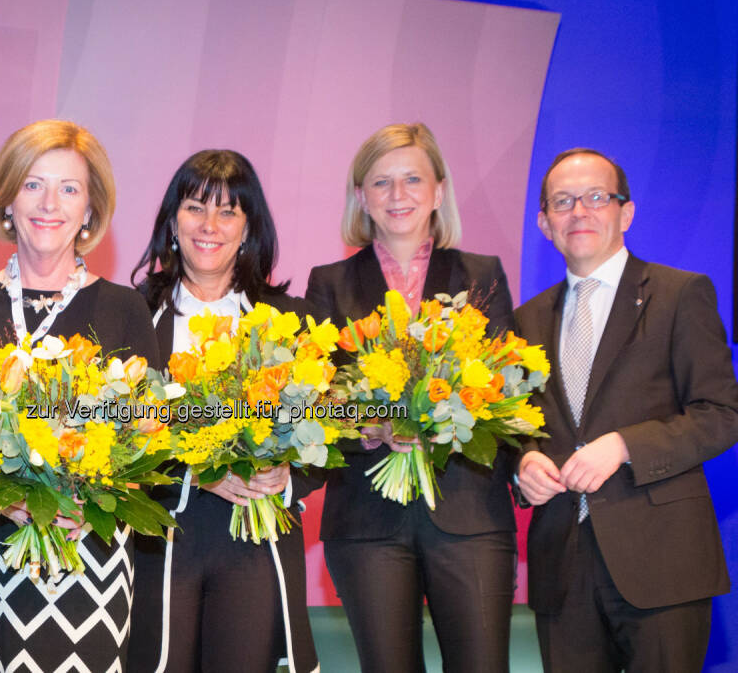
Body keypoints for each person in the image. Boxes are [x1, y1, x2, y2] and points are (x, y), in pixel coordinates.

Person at [0, 119, 159, 672]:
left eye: (69, 188)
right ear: (8, 199)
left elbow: (154, 434)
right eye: (33, 184)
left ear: (89, 210)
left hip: (90, 562)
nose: (49, 203)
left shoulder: (124, 307)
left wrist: (93, 495)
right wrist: (1, 494)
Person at [514, 148, 738, 672]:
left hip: (662, 562)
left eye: (596, 197)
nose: (580, 212)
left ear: (626, 212)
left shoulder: (681, 294)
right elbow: (516, 426)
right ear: (545, 222)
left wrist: (624, 446)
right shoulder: (525, 320)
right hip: (562, 565)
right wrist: (523, 463)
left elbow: (721, 413)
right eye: (563, 202)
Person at [305, 122, 516, 673]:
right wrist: (367, 425)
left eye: (412, 180)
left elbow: (505, 391)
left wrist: (447, 417)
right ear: (361, 197)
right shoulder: (328, 282)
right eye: (381, 183)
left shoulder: (482, 275)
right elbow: (314, 401)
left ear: (438, 191)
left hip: (468, 513)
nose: (397, 196)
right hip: (367, 524)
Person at [128, 149, 319, 673]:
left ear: (249, 227)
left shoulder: (289, 319)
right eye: (195, 207)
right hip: (159, 535)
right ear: (172, 220)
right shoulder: (133, 315)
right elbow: (112, 433)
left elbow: (329, 433)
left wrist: (284, 477)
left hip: (254, 538)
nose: (210, 225)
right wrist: (195, 471)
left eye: (229, 211)